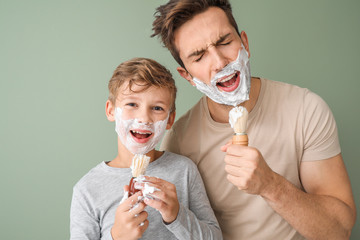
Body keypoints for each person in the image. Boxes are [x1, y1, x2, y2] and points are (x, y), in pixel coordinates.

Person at [151, 0, 357, 239]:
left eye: (225, 42)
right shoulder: (179, 141)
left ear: (245, 44)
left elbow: (340, 230)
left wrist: (271, 185)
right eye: (199, 57)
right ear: (187, 76)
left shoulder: (306, 109)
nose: (219, 63)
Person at [70, 57, 222, 240]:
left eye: (157, 108)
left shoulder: (184, 170)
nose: (144, 118)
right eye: (132, 104)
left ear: (170, 120)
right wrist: (116, 236)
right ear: (111, 110)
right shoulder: (87, 189)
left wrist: (177, 215)